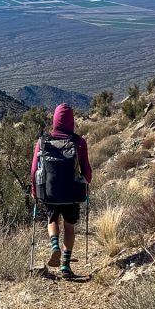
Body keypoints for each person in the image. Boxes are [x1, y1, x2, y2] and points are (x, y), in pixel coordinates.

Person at [30, 103, 93, 277]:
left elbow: (34, 170)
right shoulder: (79, 142)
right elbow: (86, 169)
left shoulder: (42, 141)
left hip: (50, 192)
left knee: (52, 220)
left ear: (55, 120)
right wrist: (86, 182)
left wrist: (35, 190)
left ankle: (54, 245)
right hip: (72, 193)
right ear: (71, 121)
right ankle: (65, 265)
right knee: (70, 227)